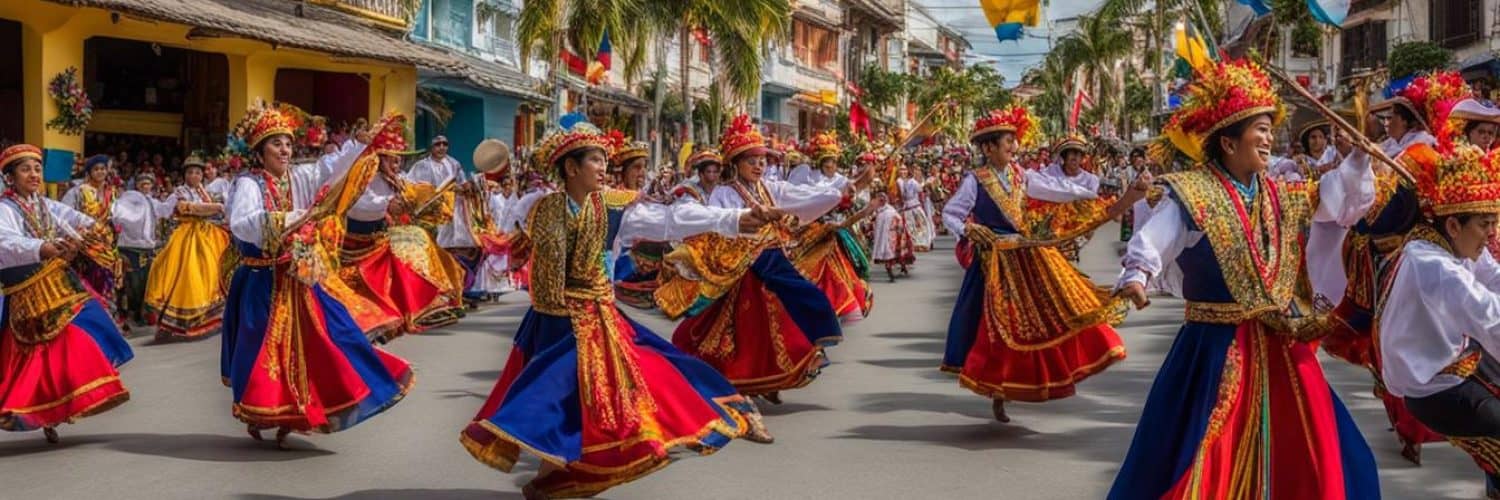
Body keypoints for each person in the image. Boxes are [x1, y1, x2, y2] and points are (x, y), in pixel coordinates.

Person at [1109, 59, 1379, 499]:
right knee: (1203, 450)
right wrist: (1138, 272)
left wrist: (1359, 158)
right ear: (1229, 142)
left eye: (1271, 129)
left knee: (1321, 443)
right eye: (1260, 128)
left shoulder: (1280, 193)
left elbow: (1334, 202)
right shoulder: (1194, 194)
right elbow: (1158, 236)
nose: (1270, 137)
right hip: (1214, 345)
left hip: (1279, 342)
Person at [459, 122, 772, 498]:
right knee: (560, 406)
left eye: (605, 159)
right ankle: (552, 480)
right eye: (595, 159)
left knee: (644, 377)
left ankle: (553, 481)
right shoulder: (545, 209)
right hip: (554, 321)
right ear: (571, 168)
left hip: (593, 317)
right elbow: (540, 271)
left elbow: (669, 221)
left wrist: (733, 220)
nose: (603, 167)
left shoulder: (612, 206)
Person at [221, 104, 411, 448]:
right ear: (260, 150)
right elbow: (242, 223)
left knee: (330, 335)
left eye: (288, 144)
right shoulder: (248, 184)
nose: (284, 150)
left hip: (298, 276)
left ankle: (299, 411)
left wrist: (358, 144)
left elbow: (330, 169)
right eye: (276, 143)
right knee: (262, 350)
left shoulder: (299, 176)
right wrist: (292, 219)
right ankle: (262, 409)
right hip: (262, 281)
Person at [942, 105, 1143, 423]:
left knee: (1053, 310)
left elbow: (1058, 191)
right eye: (1006, 141)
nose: (1013, 146)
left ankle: (1036, 377)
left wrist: (1098, 196)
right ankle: (998, 389)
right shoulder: (975, 181)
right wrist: (967, 228)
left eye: (1013, 140)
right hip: (993, 264)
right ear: (988, 147)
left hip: (1026, 255)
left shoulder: (1023, 176)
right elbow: (950, 213)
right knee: (998, 327)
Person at [668, 115, 869, 404]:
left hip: (771, 258)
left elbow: (805, 197)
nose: (759, 165)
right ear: (735, 163)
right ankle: (752, 379)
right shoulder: (724, 194)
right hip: (743, 266)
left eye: (762, 159)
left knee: (794, 306)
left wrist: (843, 190)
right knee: (745, 330)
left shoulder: (772, 188)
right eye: (752, 160)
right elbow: (713, 229)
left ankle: (789, 366)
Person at [1378, 140, 1500, 500]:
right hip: (1438, 391)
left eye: (1494, 223)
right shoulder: (1434, 264)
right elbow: (1490, 319)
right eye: (1485, 224)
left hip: (1459, 366)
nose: (1491, 235)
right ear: (1453, 224)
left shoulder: (1445, 243)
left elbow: (1492, 276)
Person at [0, 144, 133, 443]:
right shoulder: (5, 209)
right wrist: (41, 248)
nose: (34, 174)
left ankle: (61, 404)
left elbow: (70, 219)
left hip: (56, 283)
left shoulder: (43, 204)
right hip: (27, 291)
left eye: (36, 168)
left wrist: (92, 229)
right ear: (10, 177)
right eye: (25, 169)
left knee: (85, 324)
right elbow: (5, 243)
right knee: (37, 354)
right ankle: (36, 410)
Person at [339, 125, 466, 342]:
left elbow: (415, 194)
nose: (396, 165)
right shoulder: (365, 176)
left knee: (420, 239)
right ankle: (404, 307)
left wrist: (424, 201)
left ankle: (428, 300)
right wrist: (387, 204)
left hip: (384, 235)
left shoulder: (397, 179)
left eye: (399, 160)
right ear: (380, 159)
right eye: (392, 159)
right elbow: (356, 204)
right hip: (361, 241)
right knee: (408, 245)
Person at [144, 156, 232, 341]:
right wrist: (214, 207)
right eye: (191, 172)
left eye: (198, 172)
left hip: (205, 234)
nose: (194, 175)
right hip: (186, 236)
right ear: (185, 175)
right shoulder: (179, 192)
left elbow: (210, 211)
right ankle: (176, 323)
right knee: (184, 276)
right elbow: (186, 208)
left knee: (209, 274)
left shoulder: (203, 191)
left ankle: (205, 319)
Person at [789, 136, 877, 317]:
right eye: (828, 163)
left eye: (834, 162)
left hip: (833, 229)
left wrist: (860, 180)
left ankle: (840, 301)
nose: (832, 166)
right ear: (820, 163)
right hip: (809, 230)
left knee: (849, 262)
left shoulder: (839, 179)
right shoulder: (807, 177)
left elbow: (853, 187)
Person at [407, 135, 484, 308]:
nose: (441, 147)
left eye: (445, 144)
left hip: (453, 215)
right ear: (431, 147)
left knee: (457, 251)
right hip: (431, 215)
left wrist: (466, 187)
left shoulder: (454, 164)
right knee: (435, 251)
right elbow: (412, 185)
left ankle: (458, 290)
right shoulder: (422, 165)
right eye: (437, 144)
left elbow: (463, 185)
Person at [62, 155, 125, 329]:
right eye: (96, 169)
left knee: (107, 281)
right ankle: (89, 323)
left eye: (103, 169)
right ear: (89, 172)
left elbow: (118, 214)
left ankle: (109, 321)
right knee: (88, 280)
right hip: (85, 244)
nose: (100, 172)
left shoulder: (112, 192)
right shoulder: (78, 191)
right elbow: (66, 214)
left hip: (107, 242)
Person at [111, 172, 173, 328]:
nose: (145, 186)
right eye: (142, 183)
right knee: (131, 281)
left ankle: (140, 313)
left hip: (146, 247)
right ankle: (129, 314)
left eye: (148, 183)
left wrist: (175, 197)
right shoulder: (130, 198)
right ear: (136, 185)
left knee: (144, 282)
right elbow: (121, 215)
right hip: (130, 245)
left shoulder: (152, 201)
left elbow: (165, 211)